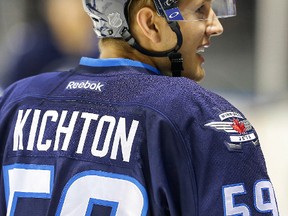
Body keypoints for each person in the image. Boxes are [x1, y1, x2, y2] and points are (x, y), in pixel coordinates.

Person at [0, 0, 279, 215]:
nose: (216, 25)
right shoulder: (198, 116)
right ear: (150, 23)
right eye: (200, 10)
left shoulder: (15, 102)